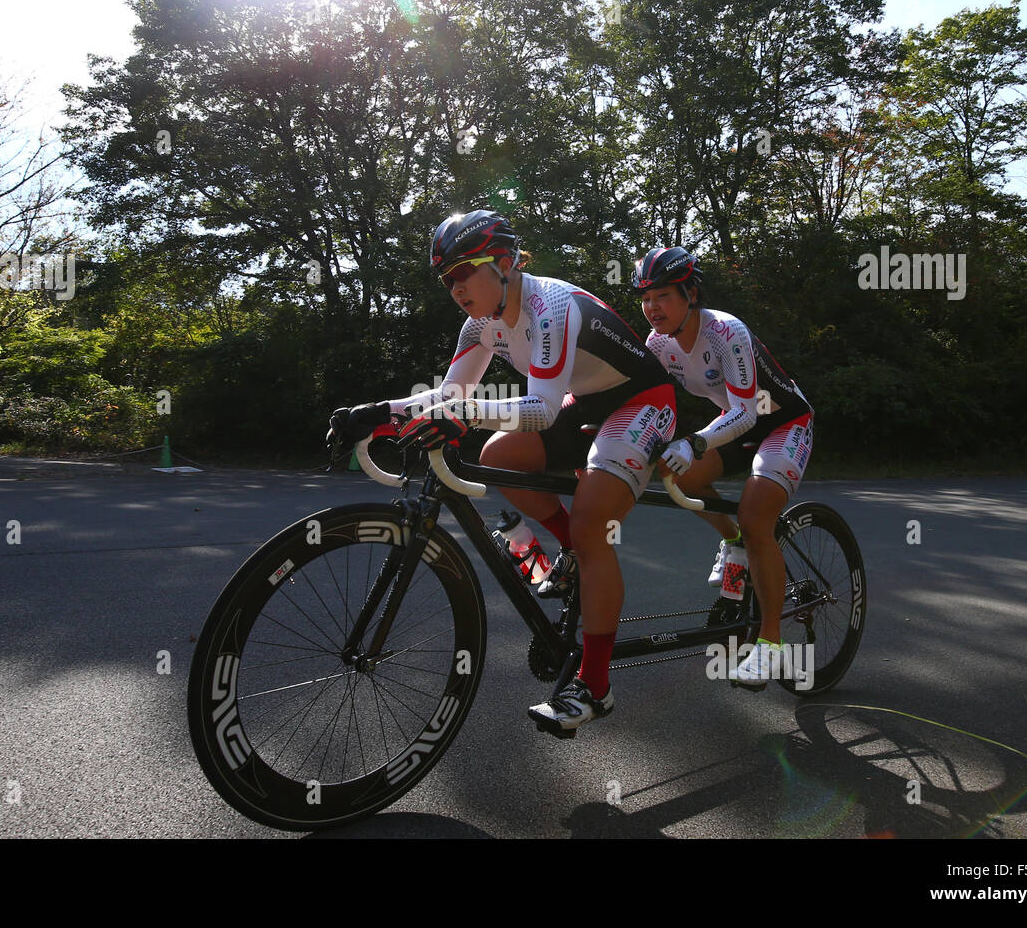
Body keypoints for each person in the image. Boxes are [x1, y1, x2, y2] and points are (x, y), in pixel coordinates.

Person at [327, 210, 677, 732]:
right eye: (448, 279)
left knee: (590, 527)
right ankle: (573, 555)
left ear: (507, 262)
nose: (456, 287)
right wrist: (376, 413)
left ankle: (595, 685)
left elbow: (539, 408)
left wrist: (458, 415)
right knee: (498, 458)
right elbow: (450, 395)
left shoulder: (550, 305)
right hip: (582, 404)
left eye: (465, 271)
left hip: (643, 401)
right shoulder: (480, 324)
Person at [633, 247, 814, 687]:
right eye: (645, 297)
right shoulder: (657, 343)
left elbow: (748, 412)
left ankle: (770, 645)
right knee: (680, 475)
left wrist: (695, 440)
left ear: (690, 294)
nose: (652, 307)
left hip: (782, 422)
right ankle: (732, 542)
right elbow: (637, 397)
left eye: (662, 296)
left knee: (756, 520)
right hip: (736, 425)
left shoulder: (725, 331)